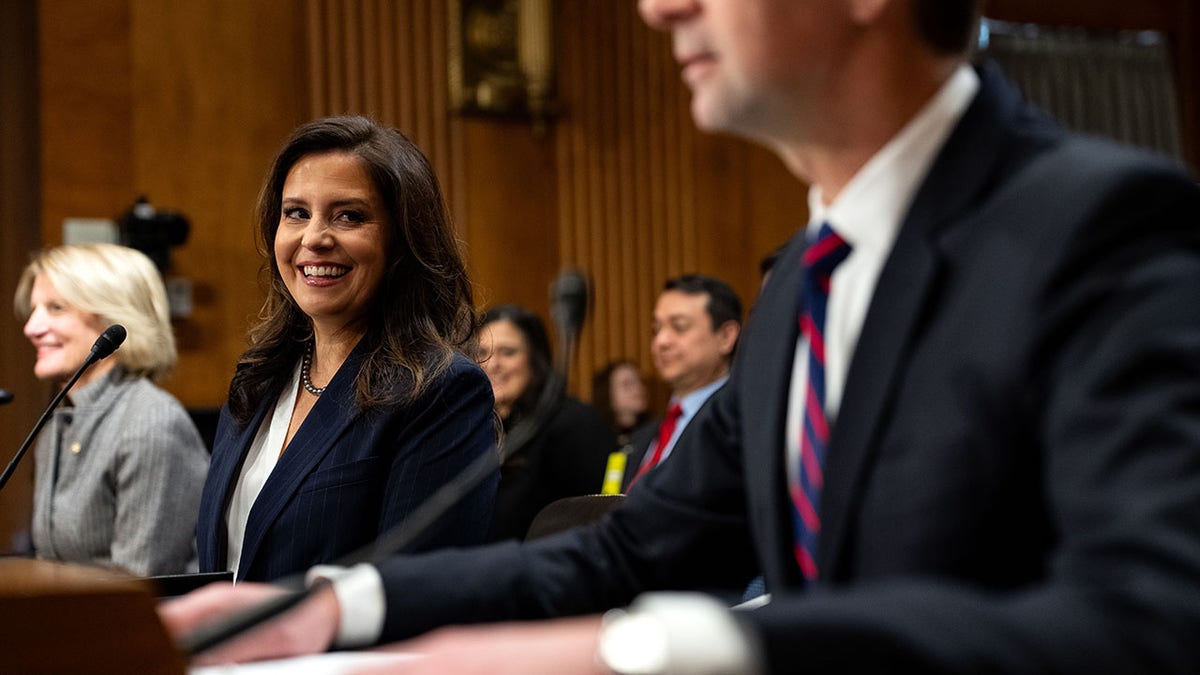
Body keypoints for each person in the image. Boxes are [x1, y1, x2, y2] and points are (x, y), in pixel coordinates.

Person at [162, 0, 1200, 672]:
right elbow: (629, 547)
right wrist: (333, 609)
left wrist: (660, 650)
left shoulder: (1099, 226)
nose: (660, 8)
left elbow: (1148, 618)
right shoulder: (803, 278)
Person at [193, 115, 498, 582]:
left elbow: (416, 591)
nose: (314, 238)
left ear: (402, 240)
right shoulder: (257, 379)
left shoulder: (441, 391)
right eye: (296, 213)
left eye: (349, 216)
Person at [15, 243, 207, 576]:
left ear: (115, 319)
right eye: (34, 310)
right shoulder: (60, 421)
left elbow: (136, 589)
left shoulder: (150, 424)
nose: (31, 328)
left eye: (56, 308)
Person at [477, 304, 616, 541]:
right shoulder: (480, 427)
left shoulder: (574, 424)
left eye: (508, 352)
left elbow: (596, 522)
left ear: (535, 359)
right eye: (482, 353)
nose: (492, 364)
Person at [621, 274, 740, 491]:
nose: (661, 342)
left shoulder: (740, 424)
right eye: (656, 329)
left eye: (679, 327)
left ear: (726, 336)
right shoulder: (639, 440)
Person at [590, 360, 649, 449]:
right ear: (607, 393)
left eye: (639, 381)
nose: (638, 389)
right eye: (627, 384)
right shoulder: (594, 438)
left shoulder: (656, 433)